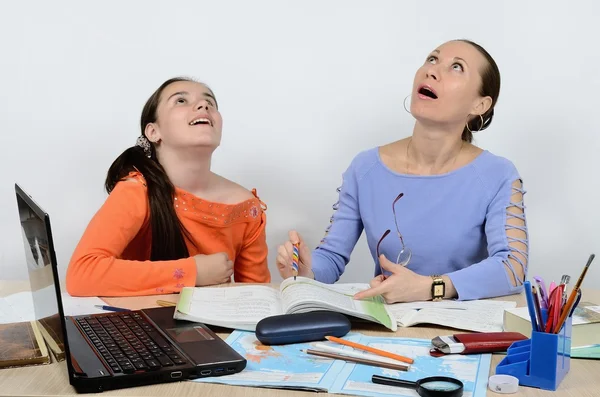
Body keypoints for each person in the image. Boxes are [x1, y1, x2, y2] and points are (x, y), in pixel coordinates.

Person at [276, 40, 528, 303]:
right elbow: (331, 257)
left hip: (461, 334)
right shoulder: (365, 168)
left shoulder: (498, 175)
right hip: (389, 326)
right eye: (432, 59)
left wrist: (432, 287)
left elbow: (513, 267)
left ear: (480, 105)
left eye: (456, 67)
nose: (432, 71)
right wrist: (306, 271)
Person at [66, 77, 271, 297]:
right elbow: (82, 273)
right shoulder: (137, 190)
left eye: (210, 102)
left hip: (214, 331)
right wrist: (194, 272)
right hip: (141, 327)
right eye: (181, 101)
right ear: (153, 132)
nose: (204, 106)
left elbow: (257, 300)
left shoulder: (246, 208)